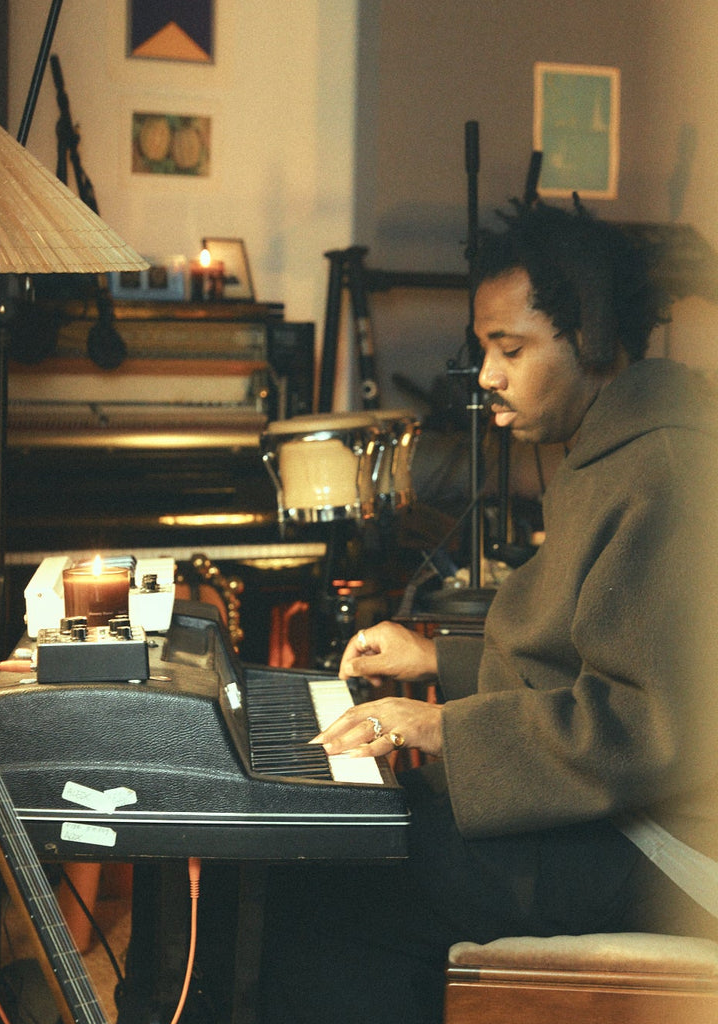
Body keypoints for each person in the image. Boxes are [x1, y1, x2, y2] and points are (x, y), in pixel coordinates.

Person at [257, 199, 718, 1024]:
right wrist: (436, 658)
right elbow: (582, 659)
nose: (487, 377)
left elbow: (648, 726)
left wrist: (443, 727)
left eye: (511, 349)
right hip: (627, 820)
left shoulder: (667, 472)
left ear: (592, 338)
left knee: (338, 882)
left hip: (672, 849)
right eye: (485, 351)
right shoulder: (614, 448)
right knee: (343, 849)